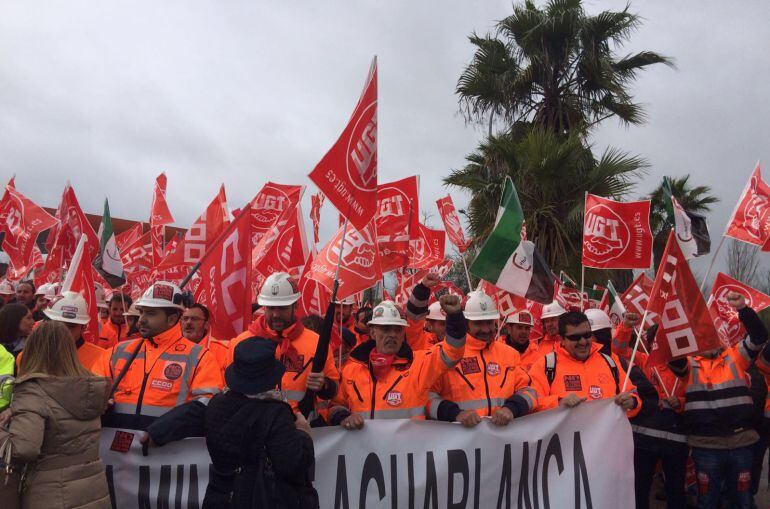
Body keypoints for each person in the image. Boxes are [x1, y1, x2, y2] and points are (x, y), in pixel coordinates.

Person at [144, 338, 318, 508]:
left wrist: (155, 432)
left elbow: (192, 413)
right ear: (271, 377)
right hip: (261, 498)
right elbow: (292, 464)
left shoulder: (218, 403)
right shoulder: (275, 413)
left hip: (220, 496)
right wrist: (303, 434)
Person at [670, 292, 769, 509]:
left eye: (712, 334)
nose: (708, 339)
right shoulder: (688, 364)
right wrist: (672, 323)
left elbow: (760, 337)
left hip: (741, 443)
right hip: (707, 446)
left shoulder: (735, 356)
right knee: (708, 501)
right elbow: (672, 356)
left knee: (742, 501)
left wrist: (743, 309)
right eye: (702, 335)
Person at [0, 321, 111, 509]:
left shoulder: (33, 389)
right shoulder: (89, 388)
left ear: (33, 348)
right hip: (92, 489)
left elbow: (23, 448)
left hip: (50, 491)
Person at [94, 281, 223, 430]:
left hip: (166, 449)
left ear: (172, 319)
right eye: (141, 311)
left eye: (150, 313)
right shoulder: (119, 351)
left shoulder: (199, 357)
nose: (141, 319)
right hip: (114, 447)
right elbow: (91, 391)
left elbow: (206, 404)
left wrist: (163, 430)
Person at [330, 295, 466, 428]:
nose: (392, 334)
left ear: (403, 333)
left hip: (409, 448)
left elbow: (452, 352)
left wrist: (455, 318)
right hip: (363, 449)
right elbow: (334, 405)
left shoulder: (419, 364)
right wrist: (344, 417)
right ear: (372, 332)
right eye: (386, 329)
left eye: (398, 329)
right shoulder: (351, 368)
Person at [227, 272, 339, 415]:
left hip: (299, 429)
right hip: (253, 429)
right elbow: (229, 389)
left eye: (282, 308)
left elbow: (335, 389)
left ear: (296, 306)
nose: (275, 314)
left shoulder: (316, 343)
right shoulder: (240, 343)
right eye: (271, 308)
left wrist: (324, 385)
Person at [429, 292, 537, 427]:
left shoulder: (510, 354)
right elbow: (426, 397)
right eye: (479, 323)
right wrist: (455, 414)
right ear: (466, 324)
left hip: (503, 441)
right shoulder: (443, 353)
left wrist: (511, 409)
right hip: (459, 442)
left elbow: (530, 391)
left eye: (489, 322)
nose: (486, 329)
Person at [529, 311, 641, 416]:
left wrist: (632, 402)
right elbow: (530, 402)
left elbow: (632, 394)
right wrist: (559, 403)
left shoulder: (610, 362)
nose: (583, 342)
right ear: (561, 339)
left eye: (587, 335)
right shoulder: (546, 365)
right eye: (575, 337)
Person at [38, 291, 106, 371]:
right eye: (57, 325)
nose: (63, 331)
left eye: (71, 326)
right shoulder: (33, 355)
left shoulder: (102, 358)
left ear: (84, 327)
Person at [181, 303, 229, 369]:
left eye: (194, 319)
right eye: (185, 318)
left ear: (206, 324)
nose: (188, 322)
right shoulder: (170, 347)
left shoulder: (222, 352)